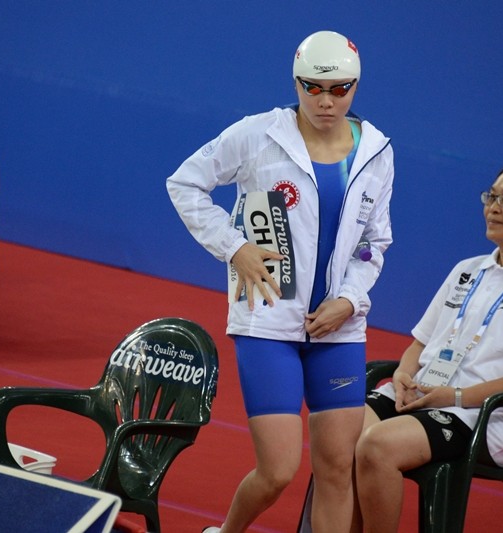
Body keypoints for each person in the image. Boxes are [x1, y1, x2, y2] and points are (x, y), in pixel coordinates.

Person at [167, 30, 394, 533]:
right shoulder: (256, 135)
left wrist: (351, 301)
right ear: (295, 83)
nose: (326, 101)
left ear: (356, 87)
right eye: (313, 87)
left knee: (337, 470)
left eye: (339, 89)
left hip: (337, 331)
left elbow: (373, 243)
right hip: (266, 322)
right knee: (278, 472)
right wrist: (236, 248)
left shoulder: (377, 150)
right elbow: (185, 183)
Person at [353, 162, 503, 532]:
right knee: (339, 432)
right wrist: (405, 374)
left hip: (481, 417)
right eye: (491, 196)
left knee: (377, 445)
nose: (493, 207)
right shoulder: (468, 270)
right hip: (424, 394)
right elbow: (421, 342)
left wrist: (456, 396)